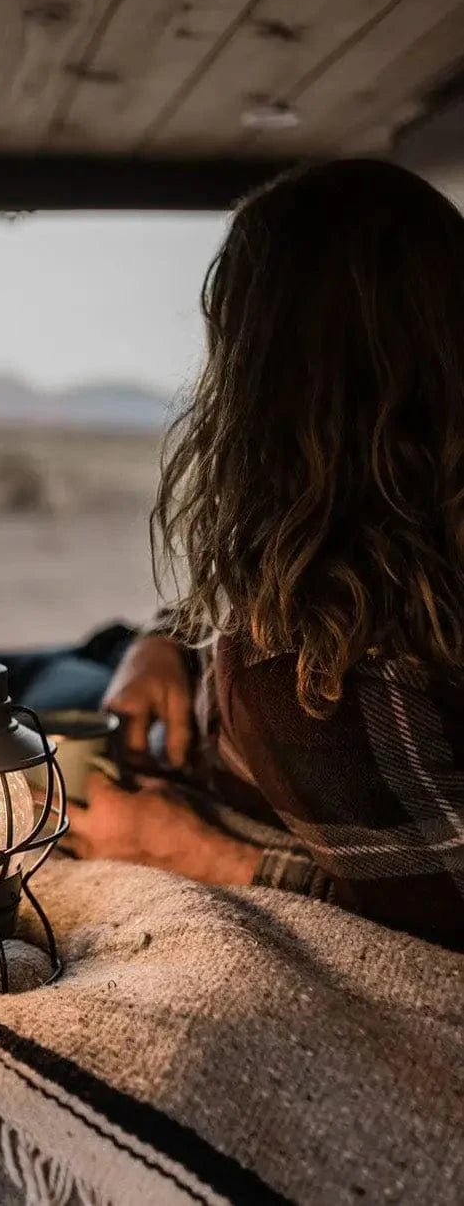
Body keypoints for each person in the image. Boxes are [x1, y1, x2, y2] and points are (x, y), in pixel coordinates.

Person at [74, 159, 464, 948]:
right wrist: (165, 640)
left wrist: (195, 854)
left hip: (210, 778)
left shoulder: (306, 673)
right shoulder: (388, 544)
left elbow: (435, 905)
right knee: (80, 664)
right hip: (181, 700)